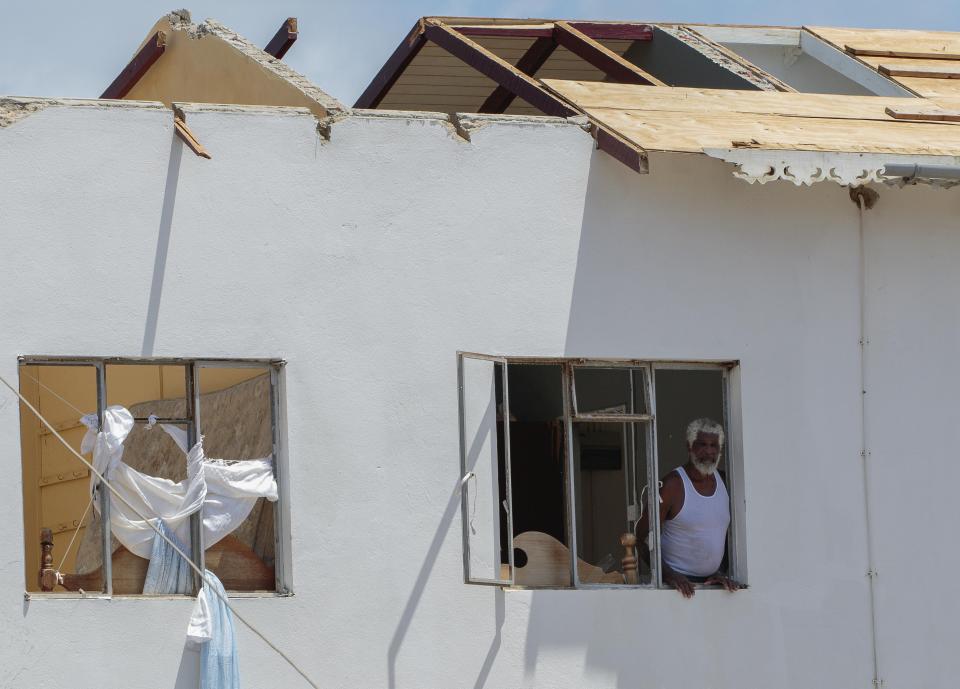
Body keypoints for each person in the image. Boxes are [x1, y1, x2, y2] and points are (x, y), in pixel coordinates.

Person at [636, 418, 740, 598]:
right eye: (702, 445)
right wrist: (670, 576)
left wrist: (721, 572)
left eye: (714, 446)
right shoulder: (672, 485)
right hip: (675, 589)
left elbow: (725, 535)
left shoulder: (725, 481)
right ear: (689, 446)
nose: (708, 451)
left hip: (713, 587)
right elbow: (641, 539)